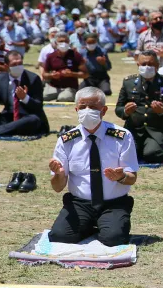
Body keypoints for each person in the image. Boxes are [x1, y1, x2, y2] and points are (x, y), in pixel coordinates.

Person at [48, 87, 139, 247]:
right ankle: (89, 225)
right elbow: (57, 187)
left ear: (103, 110)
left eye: (92, 107)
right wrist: (59, 175)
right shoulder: (67, 140)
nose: (87, 111)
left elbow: (132, 178)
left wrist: (121, 177)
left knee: (113, 239)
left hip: (113, 203)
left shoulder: (122, 136)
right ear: (76, 110)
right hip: (80, 203)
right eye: (82, 107)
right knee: (59, 236)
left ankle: (107, 224)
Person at [115, 51, 163, 163]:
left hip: (157, 131)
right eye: (143, 64)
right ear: (138, 65)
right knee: (125, 155)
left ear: (157, 65)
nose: (147, 67)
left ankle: (152, 149)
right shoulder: (129, 83)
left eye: (151, 64)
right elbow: (118, 108)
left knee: (151, 154)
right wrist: (126, 111)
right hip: (134, 131)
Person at [0, 51, 49, 136]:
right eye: (14, 64)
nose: (18, 66)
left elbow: (38, 106)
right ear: (6, 66)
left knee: (33, 119)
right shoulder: (1, 78)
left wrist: (25, 98)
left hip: (27, 116)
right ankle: (11, 129)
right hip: (9, 117)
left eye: (20, 63)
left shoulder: (33, 79)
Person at [43, 32, 89, 102]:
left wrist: (72, 74)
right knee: (43, 97)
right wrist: (52, 75)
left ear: (69, 42)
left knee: (64, 98)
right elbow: (44, 74)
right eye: (61, 41)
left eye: (66, 41)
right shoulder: (51, 56)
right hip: (53, 87)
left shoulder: (76, 55)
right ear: (56, 43)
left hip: (70, 87)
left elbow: (85, 74)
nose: (64, 43)